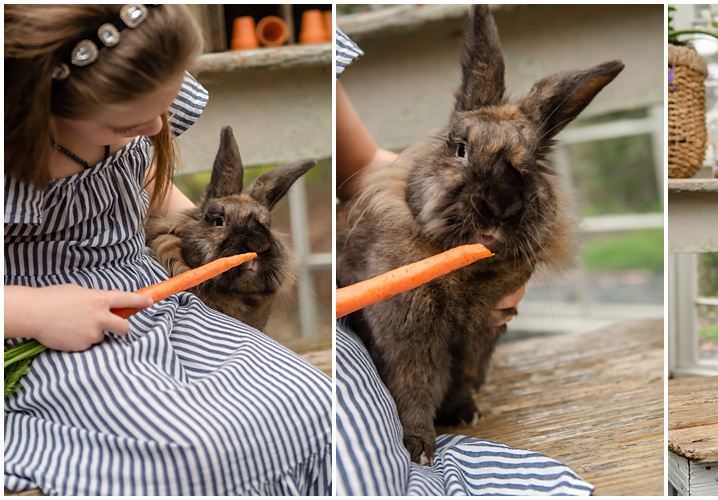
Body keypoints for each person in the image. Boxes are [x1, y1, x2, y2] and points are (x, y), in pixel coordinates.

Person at [4, 5, 331, 495]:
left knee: (309, 401)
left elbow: (144, 187)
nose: (157, 129)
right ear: (42, 103)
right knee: (195, 451)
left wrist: (208, 235)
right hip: (60, 328)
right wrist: (33, 311)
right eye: (127, 126)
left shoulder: (140, 117)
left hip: (155, 297)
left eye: (164, 107)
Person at [334, 27, 592, 495]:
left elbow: (367, 157)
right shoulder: (392, 237)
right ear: (449, 146)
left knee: (476, 344)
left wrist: (518, 265)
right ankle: (415, 416)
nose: (496, 201)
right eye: (460, 152)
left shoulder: (515, 216)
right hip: (364, 340)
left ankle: (459, 395)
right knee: (405, 340)